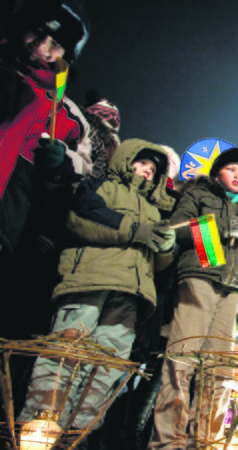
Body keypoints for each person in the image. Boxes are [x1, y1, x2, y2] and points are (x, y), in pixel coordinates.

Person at [18, 139, 176, 434]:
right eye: (141, 163)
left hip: (129, 294)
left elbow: (159, 265)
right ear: (125, 160)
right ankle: (40, 424)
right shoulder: (102, 186)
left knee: (109, 364)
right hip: (90, 280)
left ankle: (79, 432)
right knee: (66, 350)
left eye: (153, 169)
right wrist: (134, 230)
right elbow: (81, 218)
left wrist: (165, 248)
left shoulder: (156, 212)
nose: (146, 171)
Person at [151, 147, 238, 449]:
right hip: (198, 280)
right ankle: (168, 442)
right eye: (232, 170)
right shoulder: (198, 194)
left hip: (233, 294)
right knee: (181, 361)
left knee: (219, 373)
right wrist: (224, 228)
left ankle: (205, 441)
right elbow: (179, 228)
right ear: (217, 173)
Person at [0, 0, 92, 261]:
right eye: (38, 31)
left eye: (55, 42)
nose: (41, 46)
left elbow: (80, 170)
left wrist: (61, 162)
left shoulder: (65, 114)